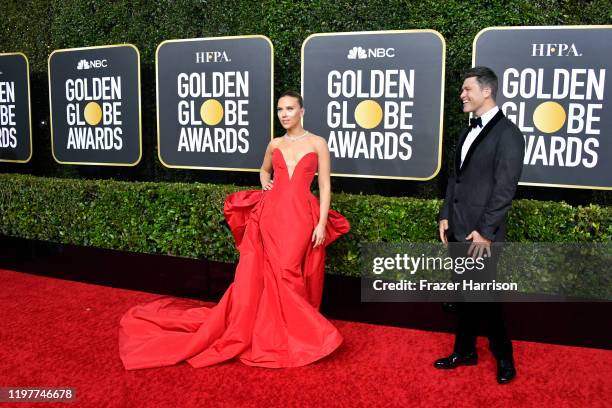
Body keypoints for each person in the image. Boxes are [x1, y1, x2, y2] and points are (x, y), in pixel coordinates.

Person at [119, 90, 350, 369]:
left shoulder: (317, 143)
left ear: (302, 111)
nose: (284, 114)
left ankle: (295, 330)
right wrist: (266, 182)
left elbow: (325, 185)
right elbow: (264, 170)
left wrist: (322, 223)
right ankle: (284, 332)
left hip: (301, 215)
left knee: (288, 269)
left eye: (290, 108)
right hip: (271, 214)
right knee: (274, 272)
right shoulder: (274, 144)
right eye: (280, 110)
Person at [435, 67, 525, 384]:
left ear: (486, 91)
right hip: (459, 227)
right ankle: (466, 351)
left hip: (481, 236)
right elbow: (454, 179)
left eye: (466, 89)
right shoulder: (466, 131)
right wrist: (445, 214)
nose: (462, 94)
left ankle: (505, 357)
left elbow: (504, 189)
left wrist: (486, 232)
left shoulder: (509, 134)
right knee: (464, 295)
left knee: (486, 298)